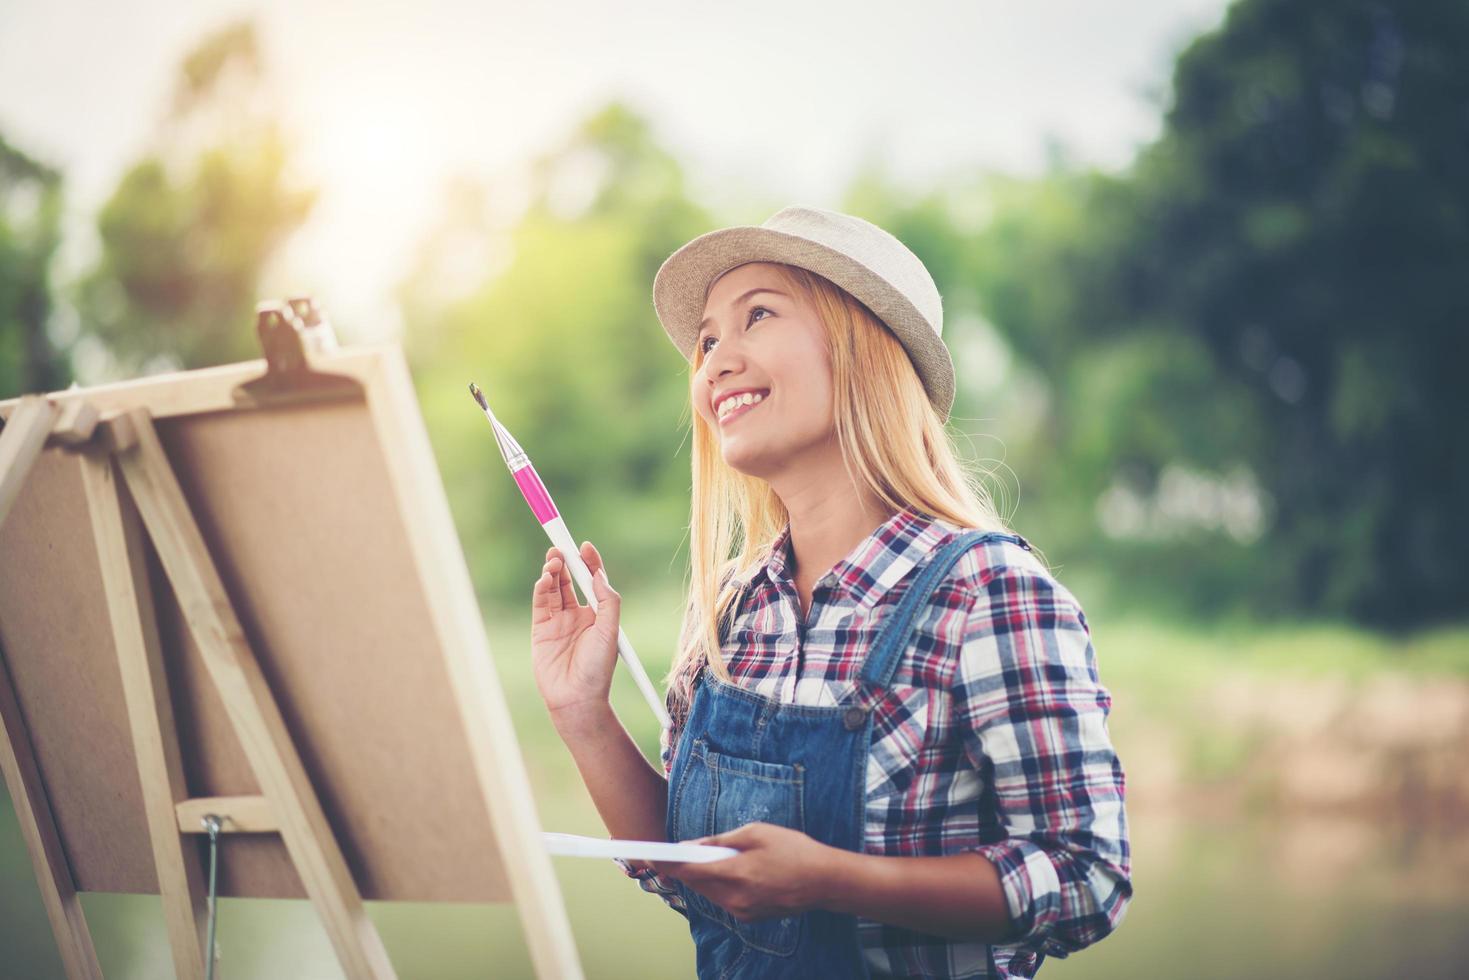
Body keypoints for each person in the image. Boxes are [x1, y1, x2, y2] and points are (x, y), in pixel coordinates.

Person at [530, 206, 1132, 978]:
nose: (713, 361)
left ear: (861, 349)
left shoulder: (989, 593)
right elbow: (688, 871)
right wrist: (583, 715)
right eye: (708, 340)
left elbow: (1086, 877)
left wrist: (830, 880)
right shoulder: (728, 608)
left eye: (757, 316)